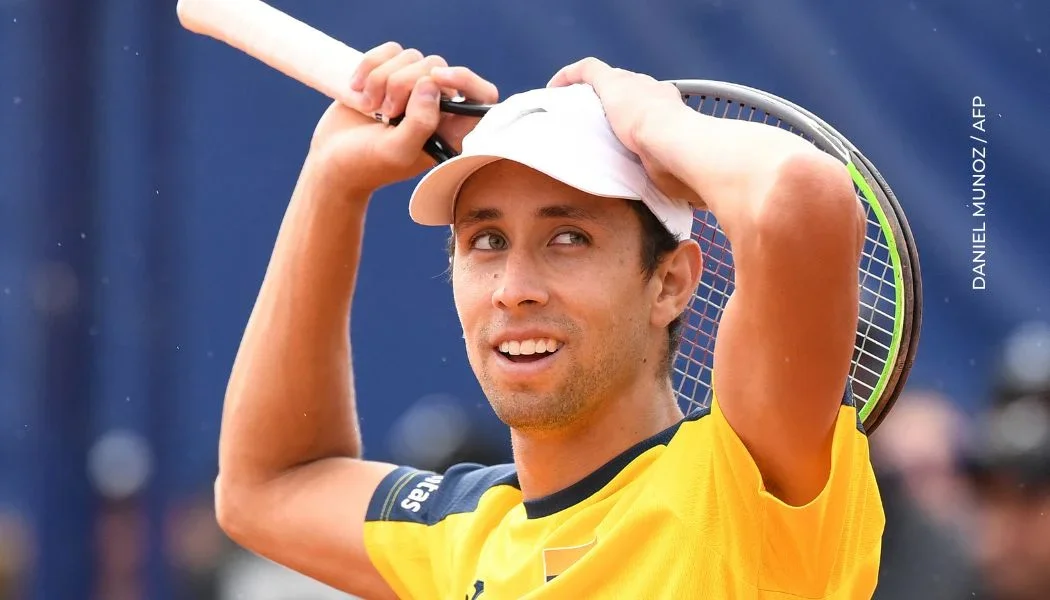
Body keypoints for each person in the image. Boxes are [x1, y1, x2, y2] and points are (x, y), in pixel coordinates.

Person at [214, 43, 882, 599]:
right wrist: (332, 181)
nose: (515, 290)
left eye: (568, 238)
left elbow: (802, 198)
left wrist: (656, 124)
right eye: (487, 241)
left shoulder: (740, 484)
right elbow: (265, 487)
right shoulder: (462, 537)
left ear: (670, 282)